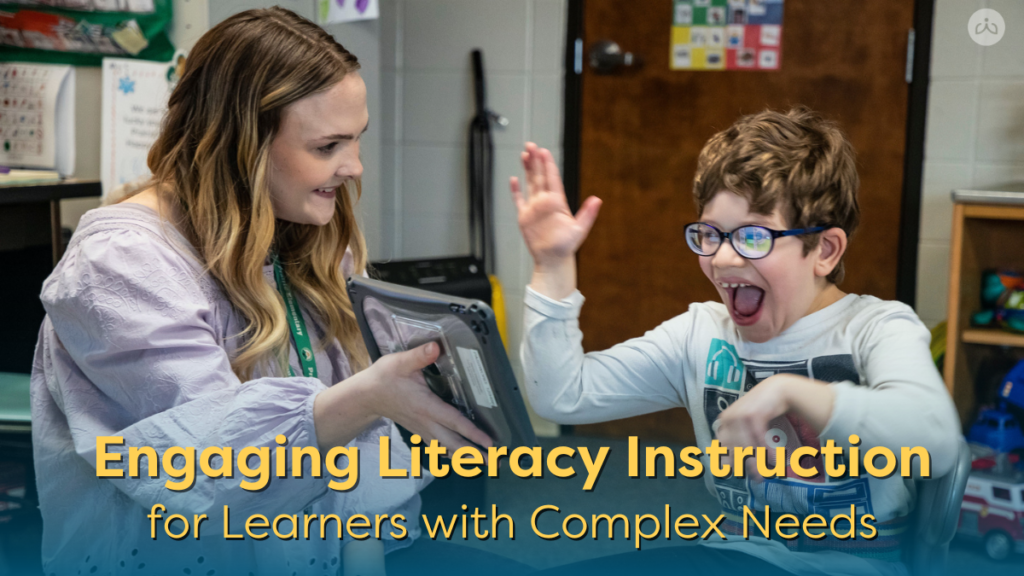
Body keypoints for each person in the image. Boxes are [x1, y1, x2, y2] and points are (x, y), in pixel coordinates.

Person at [30, 8, 499, 576]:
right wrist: (369, 397)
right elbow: (211, 465)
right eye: (326, 146)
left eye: (356, 140)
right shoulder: (122, 265)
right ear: (238, 144)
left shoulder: (307, 235)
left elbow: (358, 459)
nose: (352, 167)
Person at [511, 107, 961, 576]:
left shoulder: (878, 327)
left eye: (752, 236)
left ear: (824, 250)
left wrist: (791, 391)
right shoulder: (701, 333)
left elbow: (936, 442)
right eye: (710, 234)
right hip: (733, 555)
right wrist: (552, 267)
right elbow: (562, 397)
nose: (723, 258)